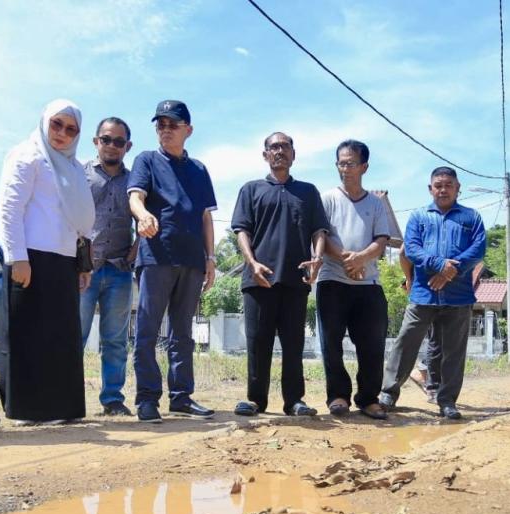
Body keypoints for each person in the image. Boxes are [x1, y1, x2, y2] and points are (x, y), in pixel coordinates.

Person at [0, 100, 96, 425]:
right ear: (44, 122)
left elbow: (78, 223)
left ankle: (60, 409)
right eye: (57, 124)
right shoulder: (28, 155)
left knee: (60, 338)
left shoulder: (74, 168)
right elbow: (9, 209)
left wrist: (83, 264)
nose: (62, 134)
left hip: (64, 262)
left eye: (71, 129)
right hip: (30, 259)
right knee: (28, 336)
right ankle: (27, 411)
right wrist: (17, 258)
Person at [127, 100, 218, 423]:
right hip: (156, 257)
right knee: (147, 331)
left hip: (192, 260)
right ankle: (147, 399)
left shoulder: (199, 170)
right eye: (160, 124)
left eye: (172, 124)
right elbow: (135, 197)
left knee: (183, 333)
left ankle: (181, 397)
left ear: (187, 130)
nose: (165, 130)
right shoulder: (147, 160)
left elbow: (206, 216)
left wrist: (210, 258)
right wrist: (142, 215)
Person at [230, 132, 330, 417]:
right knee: (258, 343)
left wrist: (317, 259)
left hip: (295, 282)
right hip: (259, 280)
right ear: (265, 155)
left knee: (293, 344)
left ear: (293, 155)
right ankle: (255, 400)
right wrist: (251, 262)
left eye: (285, 147)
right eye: (273, 147)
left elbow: (319, 230)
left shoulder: (308, 192)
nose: (279, 151)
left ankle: (294, 401)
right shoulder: (251, 189)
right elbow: (241, 230)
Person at [378, 167, 487, 420]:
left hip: (458, 295)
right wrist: (440, 266)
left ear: (457, 188)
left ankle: (447, 401)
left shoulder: (472, 217)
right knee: (406, 342)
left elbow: (478, 249)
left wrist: (451, 270)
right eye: (438, 185)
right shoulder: (419, 217)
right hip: (423, 294)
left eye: (448, 184)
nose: (443, 189)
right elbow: (412, 249)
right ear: (430, 189)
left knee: (453, 351)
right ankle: (388, 394)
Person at [316, 140, 392, 420]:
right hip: (332, 281)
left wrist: (361, 260)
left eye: (350, 163)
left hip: (369, 285)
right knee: (331, 344)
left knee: (372, 345)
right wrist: (348, 260)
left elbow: (381, 240)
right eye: (341, 163)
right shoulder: (327, 199)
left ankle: (369, 398)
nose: (345, 168)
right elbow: (321, 236)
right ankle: (338, 396)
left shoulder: (375, 203)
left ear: (364, 167)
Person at [80, 116, 137, 416]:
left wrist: (135, 252)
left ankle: (113, 399)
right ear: (95, 141)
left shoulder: (135, 180)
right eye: (106, 139)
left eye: (118, 141)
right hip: (83, 272)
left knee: (115, 341)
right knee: (74, 336)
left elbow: (146, 217)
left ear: (127, 146)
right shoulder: (80, 173)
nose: (112, 146)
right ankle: (68, 398)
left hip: (119, 271)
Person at [400, 246, 441, 404]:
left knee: (437, 338)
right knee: (436, 339)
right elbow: (403, 252)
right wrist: (409, 279)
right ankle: (425, 378)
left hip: (433, 291)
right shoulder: (422, 226)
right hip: (426, 291)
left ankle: (424, 376)